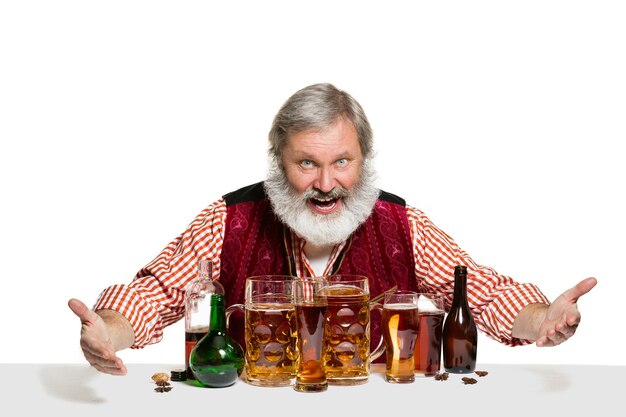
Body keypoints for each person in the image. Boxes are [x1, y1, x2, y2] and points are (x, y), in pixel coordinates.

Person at [68, 83, 597, 376]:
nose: (326, 184)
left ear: (363, 160)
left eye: (342, 162)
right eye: (306, 165)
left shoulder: (401, 223)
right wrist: (107, 333)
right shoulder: (227, 220)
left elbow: (481, 291)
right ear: (278, 163)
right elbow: (152, 293)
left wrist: (540, 319)